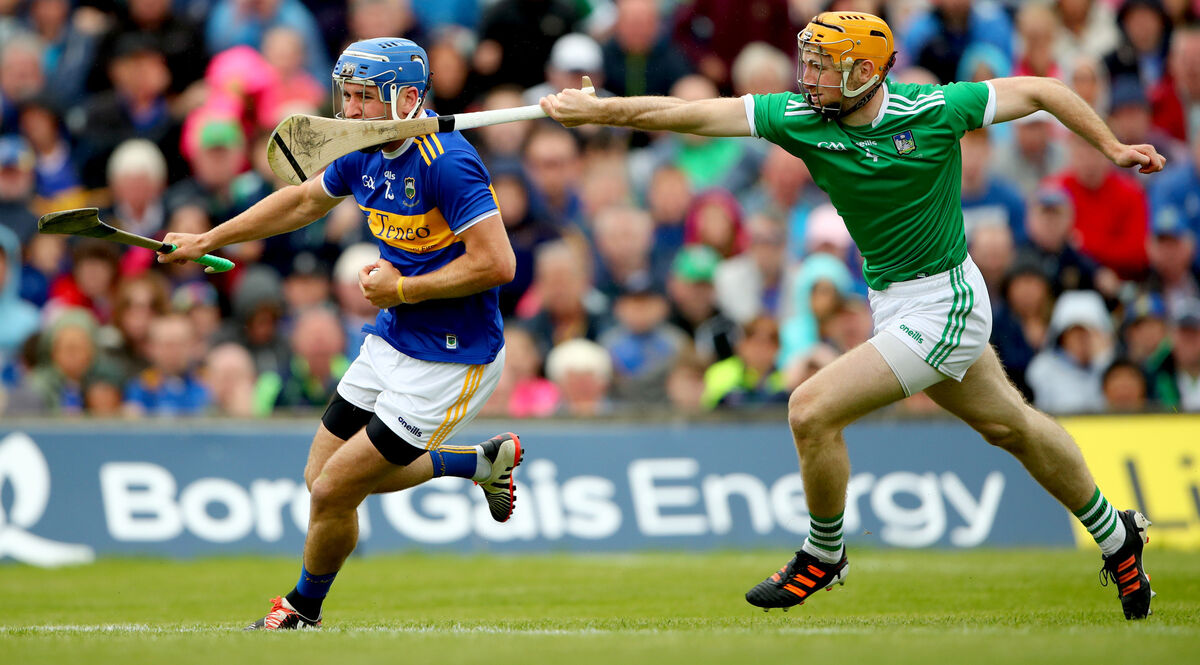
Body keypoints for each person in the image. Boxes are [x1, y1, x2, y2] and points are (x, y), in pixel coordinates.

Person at [541, 10, 1165, 619]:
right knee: (1013, 429)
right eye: (807, 63)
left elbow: (1045, 89)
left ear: (865, 72)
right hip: (894, 302)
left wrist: (1109, 146)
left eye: (822, 67)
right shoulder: (799, 118)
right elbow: (693, 115)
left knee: (810, 410)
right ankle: (1118, 538)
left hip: (946, 301)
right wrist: (603, 110)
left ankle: (824, 552)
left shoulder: (935, 110)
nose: (807, 78)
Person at [160, 38, 522, 630]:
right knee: (321, 481)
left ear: (407, 98)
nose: (349, 112)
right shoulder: (364, 152)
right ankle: (478, 465)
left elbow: (498, 265)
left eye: (363, 98)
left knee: (332, 492)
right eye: (346, 96)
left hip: (455, 360)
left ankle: (302, 609)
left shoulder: (448, 164)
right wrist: (207, 239)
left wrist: (402, 289)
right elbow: (302, 201)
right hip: (392, 340)